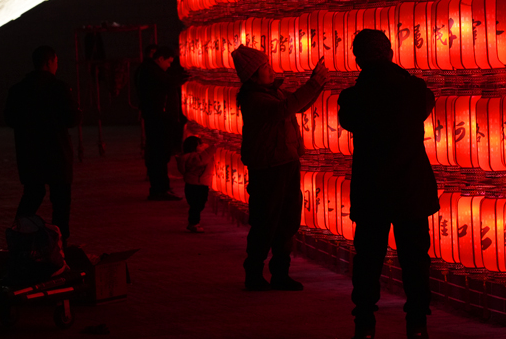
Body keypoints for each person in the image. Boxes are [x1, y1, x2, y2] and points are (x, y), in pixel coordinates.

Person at [338, 30, 439, 339]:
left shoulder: (353, 98)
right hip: (410, 186)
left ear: (358, 58)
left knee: (368, 259)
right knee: (415, 259)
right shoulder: (416, 90)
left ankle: (365, 323)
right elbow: (424, 105)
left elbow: (348, 121)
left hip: (372, 189)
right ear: (390, 53)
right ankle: (418, 324)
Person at [233, 45, 327, 292]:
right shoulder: (255, 98)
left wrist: (315, 83)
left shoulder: (272, 92)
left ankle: (280, 273)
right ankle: (254, 272)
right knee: (266, 220)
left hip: (286, 161)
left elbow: (298, 105)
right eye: (266, 67)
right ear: (254, 74)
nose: (271, 70)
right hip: (268, 167)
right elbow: (282, 110)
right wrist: (313, 84)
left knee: (287, 219)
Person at [5, 46, 79, 241]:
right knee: (61, 200)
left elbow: (10, 119)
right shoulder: (59, 87)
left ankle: (19, 233)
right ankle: (60, 241)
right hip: (57, 152)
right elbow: (71, 119)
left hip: (29, 152)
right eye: (56, 61)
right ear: (49, 62)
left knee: (32, 193)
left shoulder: (18, 89)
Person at [136, 45, 181, 201]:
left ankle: (161, 187)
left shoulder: (148, 69)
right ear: (160, 59)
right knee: (159, 155)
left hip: (158, 118)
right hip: (158, 119)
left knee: (159, 154)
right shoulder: (151, 70)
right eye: (168, 62)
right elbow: (168, 81)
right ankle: (159, 189)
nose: (169, 66)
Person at [176, 136, 214, 233]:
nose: (203, 146)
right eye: (200, 144)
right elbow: (202, 160)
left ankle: (193, 222)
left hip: (192, 184)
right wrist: (213, 147)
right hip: (197, 185)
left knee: (197, 204)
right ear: (193, 147)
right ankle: (194, 223)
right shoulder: (193, 157)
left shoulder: (186, 157)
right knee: (197, 205)